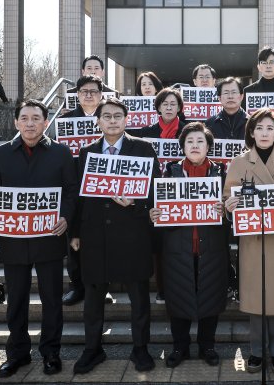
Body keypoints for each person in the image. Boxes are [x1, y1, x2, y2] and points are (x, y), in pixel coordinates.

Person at [0, 99, 77, 378]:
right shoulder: (1, 153)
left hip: (49, 237)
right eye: (25, 118)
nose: (30, 123)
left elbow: (71, 192)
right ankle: (17, 354)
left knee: (51, 300)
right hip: (13, 239)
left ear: (46, 122)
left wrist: (66, 218)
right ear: (16, 123)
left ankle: (51, 353)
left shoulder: (60, 153)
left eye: (36, 118)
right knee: (17, 300)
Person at [71, 97, 161, 374]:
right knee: (94, 299)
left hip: (133, 234)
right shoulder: (86, 152)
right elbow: (78, 196)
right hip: (95, 235)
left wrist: (136, 202)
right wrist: (74, 232)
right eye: (106, 116)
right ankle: (92, 349)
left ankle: (141, 348)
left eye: (117, 116)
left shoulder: (143, 149)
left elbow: (156, 189)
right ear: (97, 121)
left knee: (139, 298)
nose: (112, 120)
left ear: (126, 120)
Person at [224, 108, 274, 376]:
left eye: (270, 128)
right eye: (259, 128)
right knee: (256, 298)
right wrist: (230, 205)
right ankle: (257, 351)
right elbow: (227, 199)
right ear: (250, 131)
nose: (264, 133)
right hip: (253, 239)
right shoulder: (238, 163)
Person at [148, 122, 228, 368]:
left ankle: (208, 346)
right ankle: (179, 347)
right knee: (178, 296)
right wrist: (155, 214)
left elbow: (236, 208)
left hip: (212, 246)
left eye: (200, 142)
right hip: (177, 247)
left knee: (211, 297)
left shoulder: (222, 173)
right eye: (190, 142)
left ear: (208, 146)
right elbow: (157, 204)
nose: (195, 146)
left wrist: (226, 209)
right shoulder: (168, 172)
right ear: (182, 146)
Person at [135, 87, 187, 303]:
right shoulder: (145, 133)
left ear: (179, 108)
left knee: (179, 243)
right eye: (164, 104)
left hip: (180, 195)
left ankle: (181, 285)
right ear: (157, 107)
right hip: (153, 195)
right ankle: (162, 288)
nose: (168, 107)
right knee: (157, 245)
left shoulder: (189, 131)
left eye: (173, 104)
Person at [58, 75, 105, 307]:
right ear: (77, 95)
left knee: (102, 240)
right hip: (73, 186)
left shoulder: (108, 118)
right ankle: (76, 286)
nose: (89, 95)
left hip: (103, 187)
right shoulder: (65, 121)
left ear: (101, 94)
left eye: (93, 91)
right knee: (73, 239)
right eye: (84, 91)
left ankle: (102, 286)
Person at [204, 76, 248, 299]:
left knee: (245, 242)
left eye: (234, 92)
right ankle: (226, 282)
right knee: (220, 242)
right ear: (219, 97)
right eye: (226, 93)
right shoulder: (208, 125)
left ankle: (243, 284)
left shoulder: (253, 122)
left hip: (248, 190)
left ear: (242, 95)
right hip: (217, 189)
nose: (230, 97)